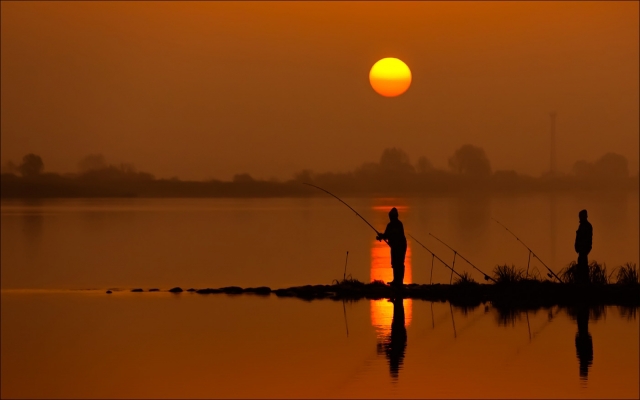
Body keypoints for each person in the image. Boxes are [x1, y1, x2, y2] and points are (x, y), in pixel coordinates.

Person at [376, 207, 407, 287]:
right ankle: (395, 280)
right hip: (394, 246)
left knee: (399, 263)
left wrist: (385, 236)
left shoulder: (399, 224)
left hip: (401, 245)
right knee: (394, 263)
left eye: (392, 216)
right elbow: (386, 235)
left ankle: (399, 281)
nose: (390, 218)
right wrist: (381, 236)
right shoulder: (389, 225)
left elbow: (395, 234)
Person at [574, 209, 593, 284]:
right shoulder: (582, 225)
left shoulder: (587, 226)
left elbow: (588, 240)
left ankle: (583, 282)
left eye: (580, 216)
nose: (579, 217)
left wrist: (585, 249)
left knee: (583, 266)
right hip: (581, 250)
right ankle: (582, 281)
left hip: (584, 250)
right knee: (581, 265)